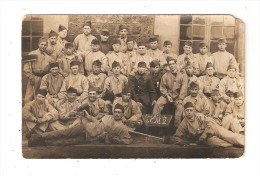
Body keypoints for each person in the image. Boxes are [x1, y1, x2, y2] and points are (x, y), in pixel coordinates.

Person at [28, 103, 133, 147]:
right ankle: (39, 137)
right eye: (116, 111)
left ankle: (41, 143)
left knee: (64, 142)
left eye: (119, 112)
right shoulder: (108, 117)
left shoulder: (122, 127)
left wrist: (116, 139)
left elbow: (128, 140)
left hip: (91, 138)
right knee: (64, 133)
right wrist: (88, 116)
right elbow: (95, 120)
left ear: (123, 114)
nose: (117, 113)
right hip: (85, 128)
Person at [165, 102, 244, 147]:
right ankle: (235, 144)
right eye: (187, 110)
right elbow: (177, 136)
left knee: (229, 136)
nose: (189, 112)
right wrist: (186, 143)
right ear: (184, 112)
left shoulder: (199, 116)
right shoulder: (184, 124)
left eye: (191, 110)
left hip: (213, 128)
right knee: (224, 145)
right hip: (206, 138)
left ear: (194, 111)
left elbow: (209, 124)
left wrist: (200, 139)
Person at [152, 56, 188, 128]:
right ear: (168, 66)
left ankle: (176, 127)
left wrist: (180, 98)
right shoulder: (165, 75)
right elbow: (162, 88)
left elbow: (184, 88)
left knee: (180, 107)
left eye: (173, 64)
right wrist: (167, 96)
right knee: (158, 104)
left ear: (176, 64)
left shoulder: (183, 75)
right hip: (167, 95)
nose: (172, 66)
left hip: (177, 96)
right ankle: (155, 125)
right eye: (170, 64)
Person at [23, 37, 53, 104]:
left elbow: (50, 69)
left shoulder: (48, 57)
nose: (43, 46)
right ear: (38, 44)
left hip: (44, 79)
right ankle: (27, 111)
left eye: (45, 45)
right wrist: (30, 77)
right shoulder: (32, 54)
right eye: (42, 44)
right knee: (29, 97)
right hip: (34, 77)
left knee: (41, 96)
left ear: (47, 46)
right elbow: (26, 68)